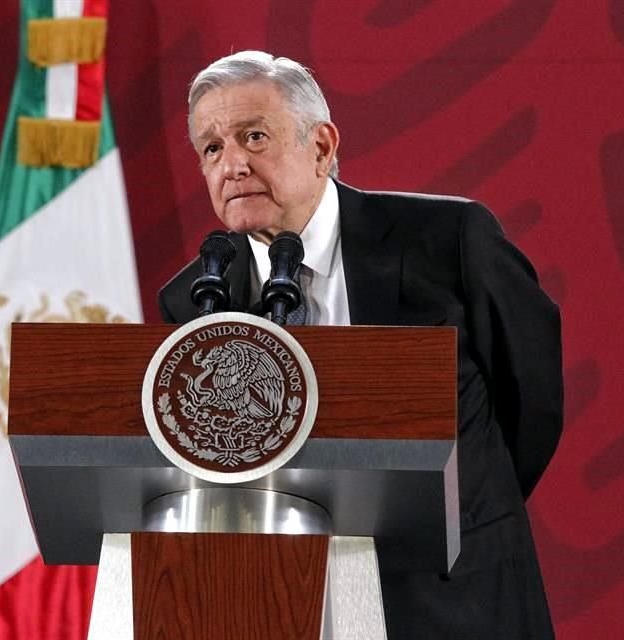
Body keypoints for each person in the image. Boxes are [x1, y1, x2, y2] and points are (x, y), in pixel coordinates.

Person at [158, 50, 562, 639]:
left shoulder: (448, 241)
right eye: (211, 149)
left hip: (461, 595)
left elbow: (533, 402)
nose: (232, 165)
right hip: (281, 601)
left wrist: (461, 511)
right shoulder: (197, 300)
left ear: (321, 147)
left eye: (253, 137)